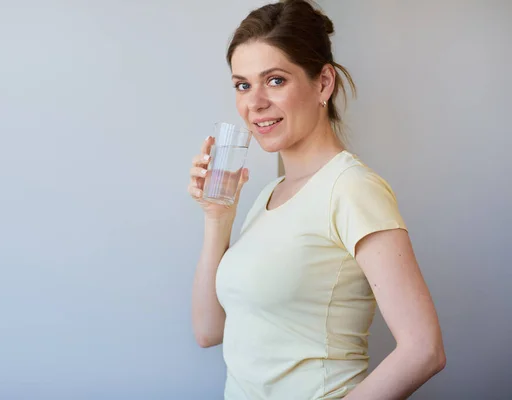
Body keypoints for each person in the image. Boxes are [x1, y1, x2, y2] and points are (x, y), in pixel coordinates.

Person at [187, 0, 446, 398]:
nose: (254, 103)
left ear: (323, 83)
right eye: (243, 84)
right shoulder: (271, 195)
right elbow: (209, 331)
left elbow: (424, 349)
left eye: (275, 80)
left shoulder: (351, 188)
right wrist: (217, 217)